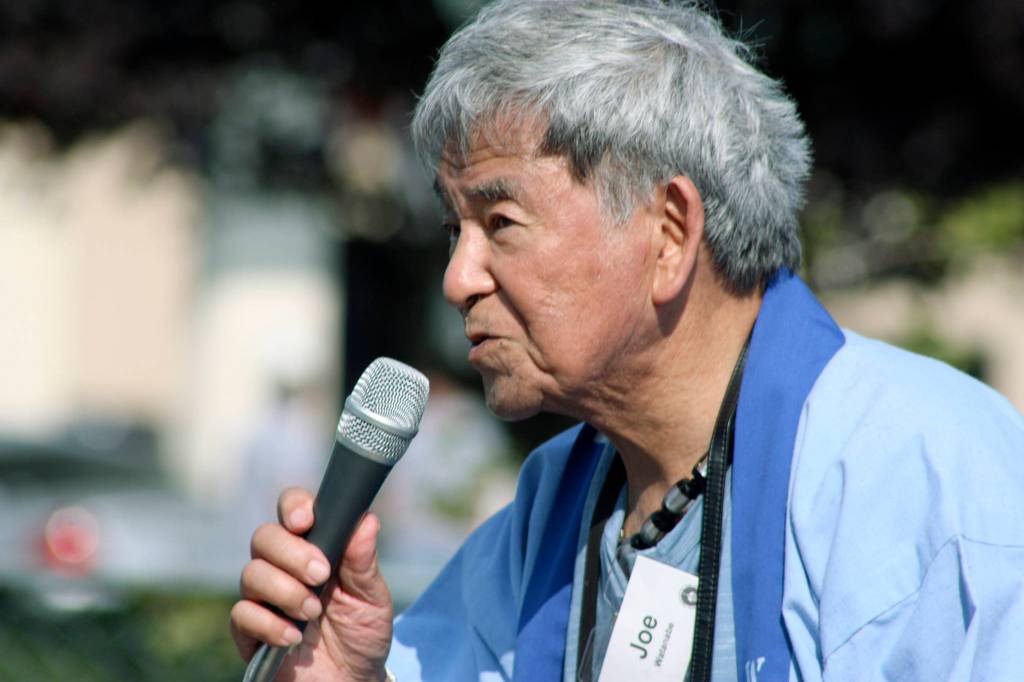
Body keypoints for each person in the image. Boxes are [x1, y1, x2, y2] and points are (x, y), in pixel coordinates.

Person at [229, 1, 1024, 680]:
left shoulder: (924, 466)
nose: (458, 278)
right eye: (452, 230)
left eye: (499, 222)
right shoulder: (555, 507)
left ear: (669, 233)